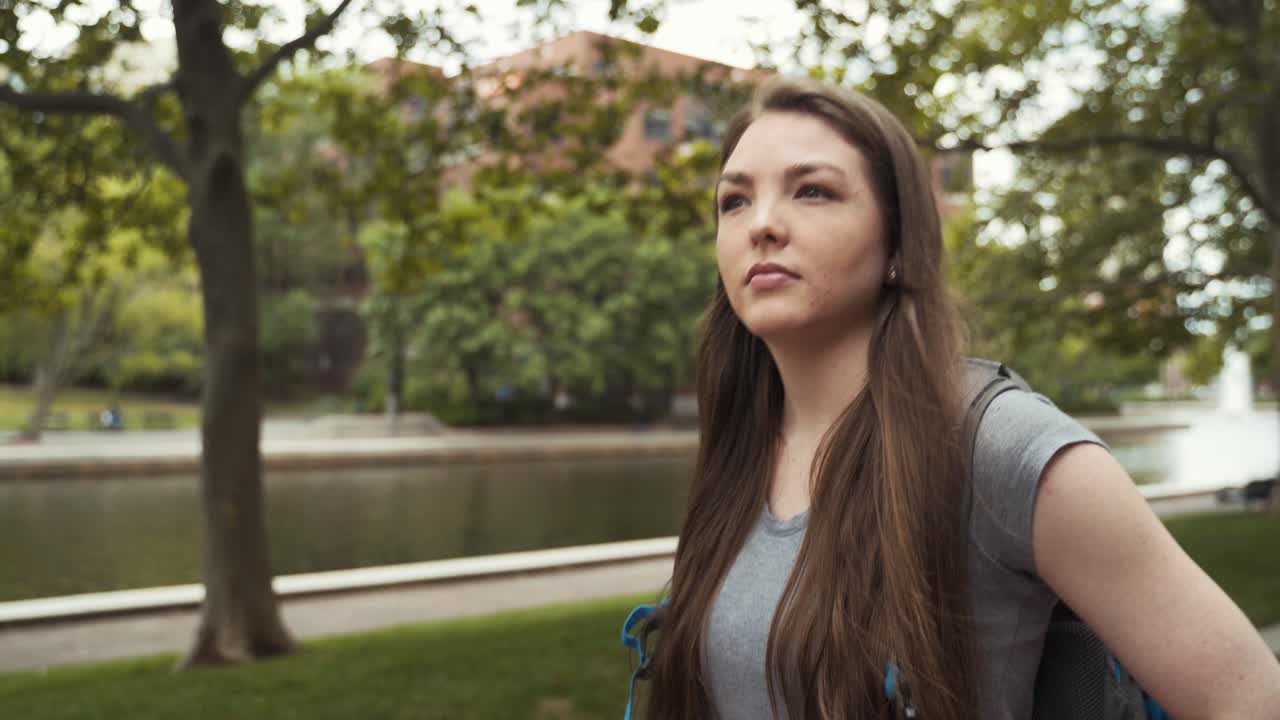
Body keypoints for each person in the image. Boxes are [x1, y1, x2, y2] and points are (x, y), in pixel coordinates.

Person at [634, 75, 1280, 719]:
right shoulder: (745, 440)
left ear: (896, 243)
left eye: (813, 191)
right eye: (735, 201)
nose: (764, 225)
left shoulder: (1002, 447)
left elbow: (1250, 699)